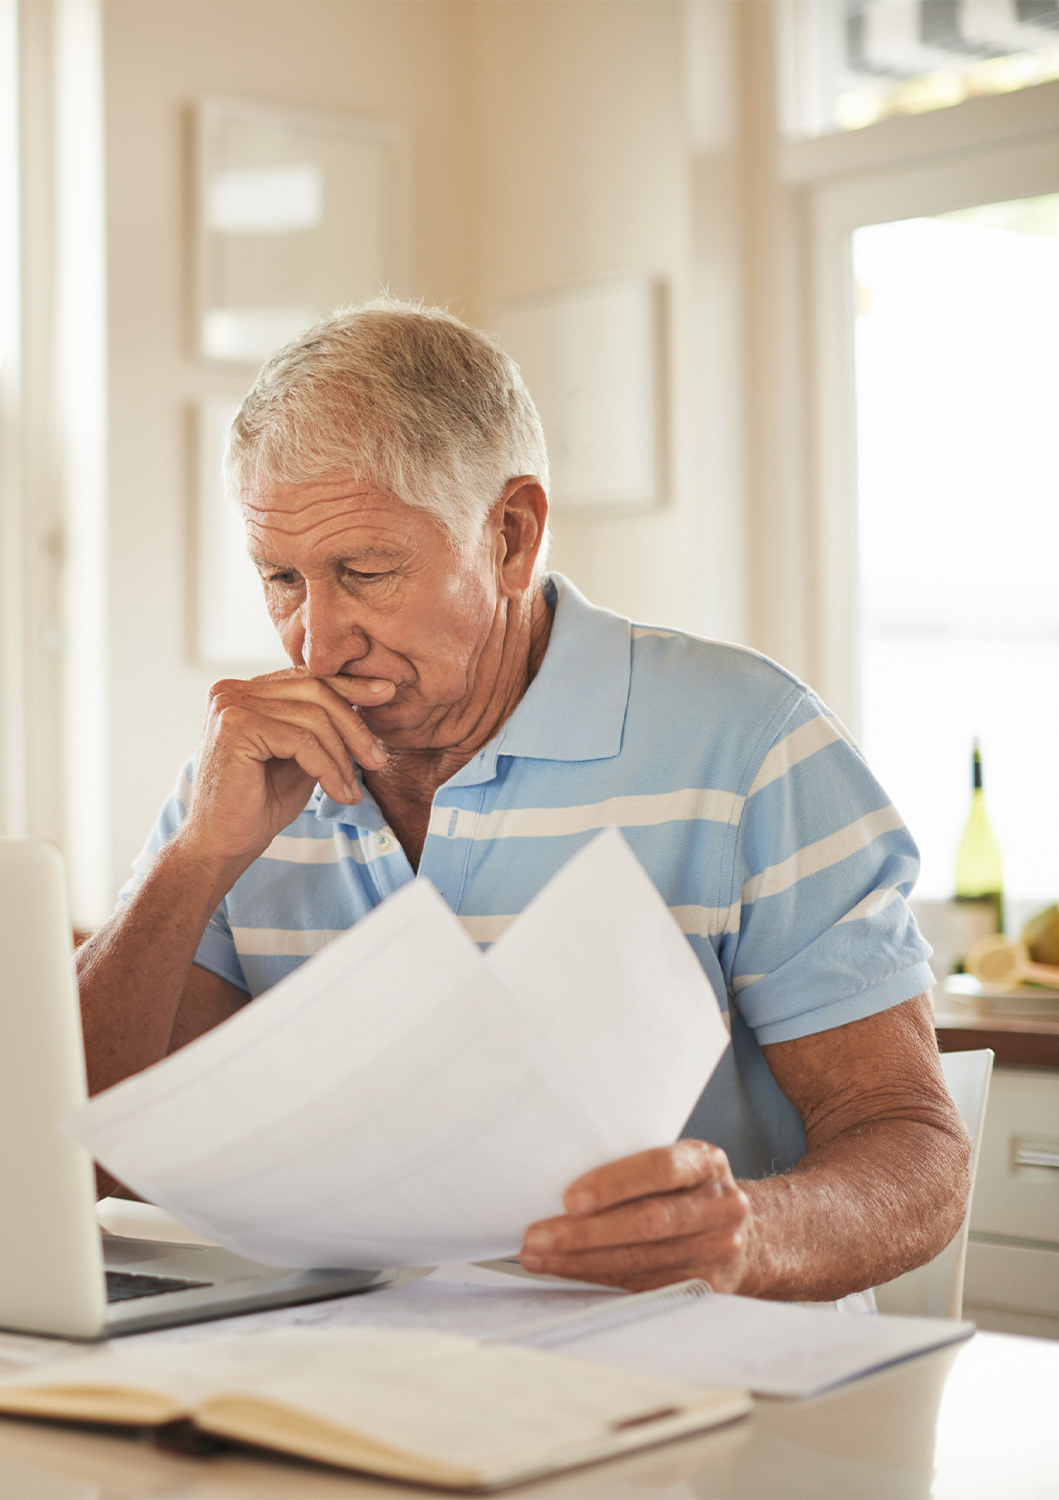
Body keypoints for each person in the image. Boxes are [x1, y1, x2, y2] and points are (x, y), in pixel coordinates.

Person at [77, 301, 968, 1301]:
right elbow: (90, 1160)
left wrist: (743, 1236)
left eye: (363, 574)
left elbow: (915, 1152)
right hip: (344, 1388)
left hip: (692, 1388)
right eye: (280, 578)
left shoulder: (749, 742)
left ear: (509, 536)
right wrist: (194, 861)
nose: (312, 643)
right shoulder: (242, 773)